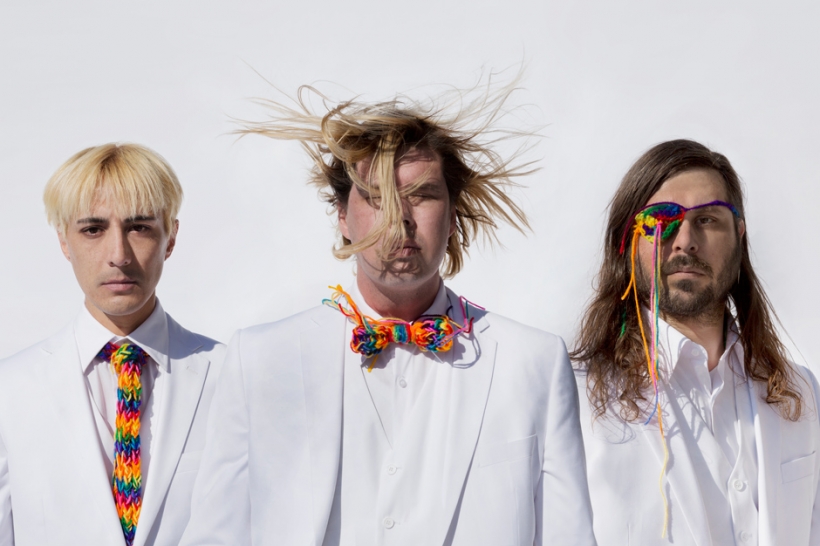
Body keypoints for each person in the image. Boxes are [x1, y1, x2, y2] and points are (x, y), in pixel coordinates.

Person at [180, 84, 596, 546]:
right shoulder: (260, 358)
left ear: (452, 215)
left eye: (423, 194)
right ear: (342, 216)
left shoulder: (533, 362)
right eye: (377, 197)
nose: (401, 218)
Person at [572, 139, 820, 545]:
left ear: (739, 236)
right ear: (628, 240)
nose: (685, 240)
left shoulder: (801, 393)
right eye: (661, 219)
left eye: (707, 219)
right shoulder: (576, 397)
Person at [0, 143, 225, 546]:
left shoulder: (229, 376)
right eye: (93, 229)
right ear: (63, 240)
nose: (118, 255)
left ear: (171, 237)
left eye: (139, 227)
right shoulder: (10, 389)